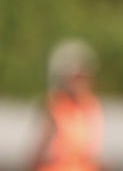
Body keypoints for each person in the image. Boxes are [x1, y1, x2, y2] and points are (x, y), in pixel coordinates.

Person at [30, 38, 103, 171]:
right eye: (75, 79)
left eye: (82, 79)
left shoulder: (90, 105)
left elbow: (91, 152)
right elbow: (40, 149)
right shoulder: (56, 105)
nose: (79, 84)